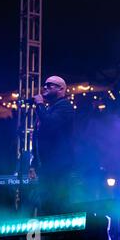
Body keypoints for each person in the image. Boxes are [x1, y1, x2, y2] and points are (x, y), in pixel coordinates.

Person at [29, 75, 75, 216]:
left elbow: (49, 124)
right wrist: (33, 164)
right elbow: (39, 140)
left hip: (59, 166)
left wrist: (40, 104)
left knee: (57, 205)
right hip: (47, 165)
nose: (45, 87)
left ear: (61, 89)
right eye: (45, 84)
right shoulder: (51, 108)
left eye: (50, 85)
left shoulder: (65, 107)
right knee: (46, 205)